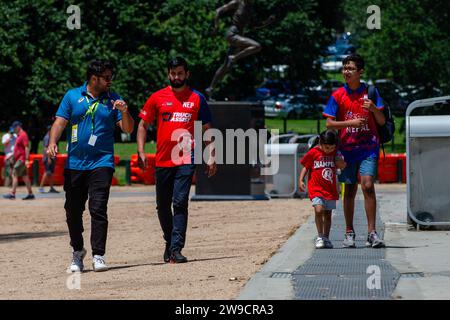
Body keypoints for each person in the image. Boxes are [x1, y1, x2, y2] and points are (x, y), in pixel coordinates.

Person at [47, 59, 134, 272]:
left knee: (98, 207)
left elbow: (128, 129)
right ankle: (78, 252)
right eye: (106, 77)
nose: (110, 81)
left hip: (102, 161)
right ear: (94, 78)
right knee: (72, 211)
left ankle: (98, 255)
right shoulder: (72, 96)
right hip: (75, 163)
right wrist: (52, 142)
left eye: (110, 76)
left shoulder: (113, 99)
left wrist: (124, 111)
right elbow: (60, 122)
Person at [137, 57, 217, 264]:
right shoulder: (157, 98)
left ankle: (176, 248)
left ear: (187, 74)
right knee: (162, 206)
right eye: (173, 73)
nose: (176, 77)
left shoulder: (198, 98)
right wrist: (141, 151)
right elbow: (143, 125)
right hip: (163, 160)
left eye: (180, 73)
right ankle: (169, 241)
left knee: (180, 202)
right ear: (168, 74)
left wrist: (211, 156)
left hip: (185, 158)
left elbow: (208, 130)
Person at [323, 53, 386, 248]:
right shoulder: (338, 95)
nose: (346, 72)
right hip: (347, 149)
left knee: (367, 185)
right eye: (344, 68)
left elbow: (382, 121)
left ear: (360, 71)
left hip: (368, 147)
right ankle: (349, 232)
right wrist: (351, 123)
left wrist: (374, 109)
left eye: (350, 68)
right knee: (349, 190)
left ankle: (372, 233)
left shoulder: (371, 92)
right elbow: (329, 123)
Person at [205, 0, 275, 100]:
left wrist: (267, 23)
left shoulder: (250, 9)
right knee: (257, 46)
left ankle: (211, 88)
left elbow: (255, 26)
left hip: (239, 38)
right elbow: (218, 11)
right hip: (232, 34)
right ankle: (234, 57)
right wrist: (216, 26)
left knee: (226, 67)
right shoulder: (237, 2)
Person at [299, 130, 346, 249]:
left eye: (332, 147)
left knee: (328, 214)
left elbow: (342, 166)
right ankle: (320, 236)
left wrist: (339, 161)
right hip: (316, 188)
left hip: (330, 189)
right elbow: (306, 166)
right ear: (320, 142)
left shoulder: (336, 153)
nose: (329, 150)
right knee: (319, 210)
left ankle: (326, 237)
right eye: (327, 147)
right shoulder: (313, 152)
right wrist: (301, 180)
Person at [3, 121, 35, 200]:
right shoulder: (19, 135)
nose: (13, 129)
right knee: (25, 176)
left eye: (14, 128)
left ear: (18, 127)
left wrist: (27, 159)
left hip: (21, 159)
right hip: (19, 159)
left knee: (14, 174)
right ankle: (30, 194)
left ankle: (12, 194)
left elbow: (27, 147)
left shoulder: (23, 135)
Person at [38, 125, 59, 193]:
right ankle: (41, 187)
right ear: (50, 130)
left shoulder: (49, 137)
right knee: (47, 172)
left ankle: (51, 187)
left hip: (51, 157)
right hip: (48, 158)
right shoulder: (47, 138)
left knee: (51, 173)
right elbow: (46, 149)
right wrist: (49, 158)